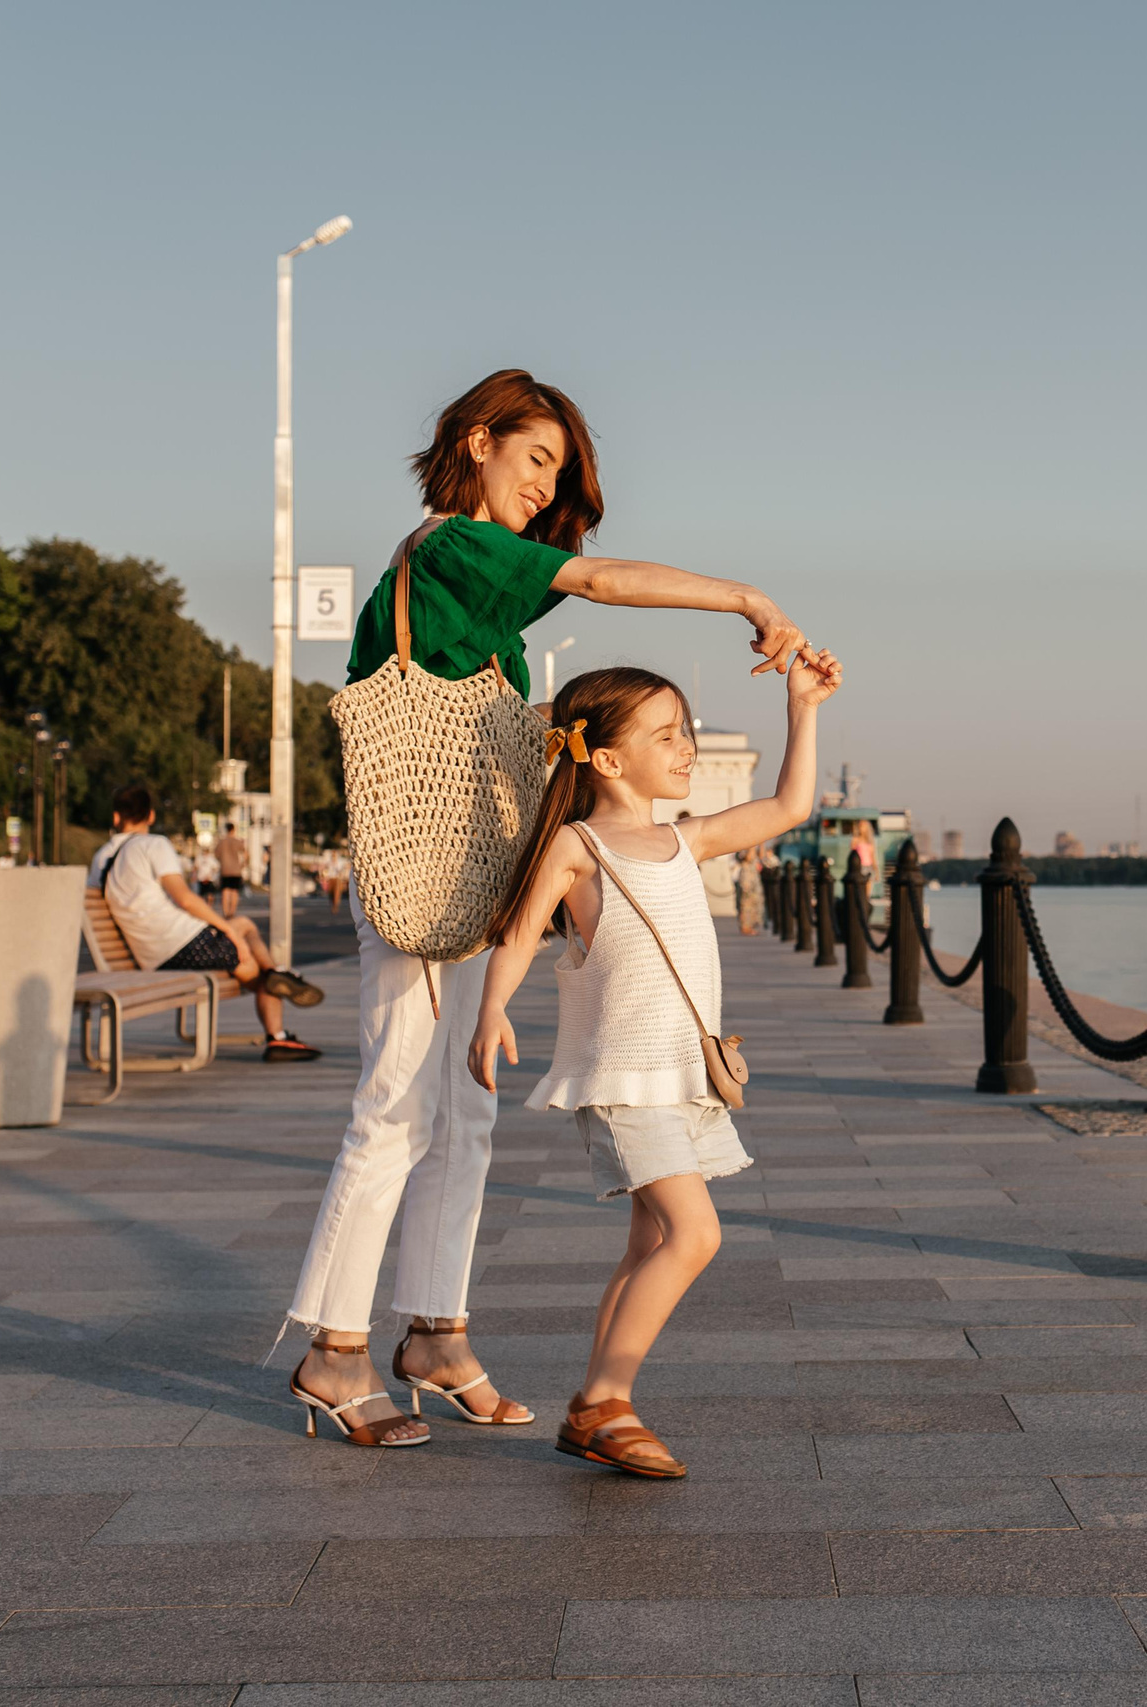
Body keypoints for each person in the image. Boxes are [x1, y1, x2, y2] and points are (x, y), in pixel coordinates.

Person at [280, 369, 809, 1452]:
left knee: (462, 1116)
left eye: (556, 474)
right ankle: (333, 1349)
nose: (542, 487)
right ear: (478, 441)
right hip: (427, 873)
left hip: (478, 875)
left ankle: (435, 1333)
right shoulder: (450, 549)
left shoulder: (479, 580)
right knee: (395, 1109)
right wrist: (747, 598)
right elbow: (603, 578)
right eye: (534, 460)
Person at [469, 653, 840, 1478]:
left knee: (648, 1241)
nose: (687, 748)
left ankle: (587, 1410)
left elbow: (791, 804)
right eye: (666, 735)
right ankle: (609, 1397)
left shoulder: (686, 837)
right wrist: (492, 1010)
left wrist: (803, 706)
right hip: (623, 1079)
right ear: (605, 758)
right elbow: (521, 932)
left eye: (688, 733)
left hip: (686, 1078)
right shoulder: (577, 844)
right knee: (695, 1232)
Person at [89, 784, 325, 1062]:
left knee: (244, 924)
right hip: (177, 944)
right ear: (151, 816)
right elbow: (185, 899)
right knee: (249, 961)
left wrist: (230, 930)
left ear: (116, 817)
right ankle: (278, 1029)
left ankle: (277, 974)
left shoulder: (101, 857)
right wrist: (227, 932)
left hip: (153, 950)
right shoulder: (153, 845)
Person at [215, 830, 248, 918]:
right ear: (233, 830)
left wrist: (223, 862)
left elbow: (216, 855)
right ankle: (232, 912)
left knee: (225, 891)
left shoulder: (222, 842)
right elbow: (246, 854)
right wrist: (243, 864)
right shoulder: (237, 842)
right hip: (236, 870)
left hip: (225, 870)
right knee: (234, 891)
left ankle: (225, 912)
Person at [733, 846, 765, 935]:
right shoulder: (745, 844)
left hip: (754, 876)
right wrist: (754, 844)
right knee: (746, 902)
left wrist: (762, 842)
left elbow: (762, 856)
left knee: (754, 901)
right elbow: (748, 857)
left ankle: (750, 925)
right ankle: (745, 926)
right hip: (747, 876)